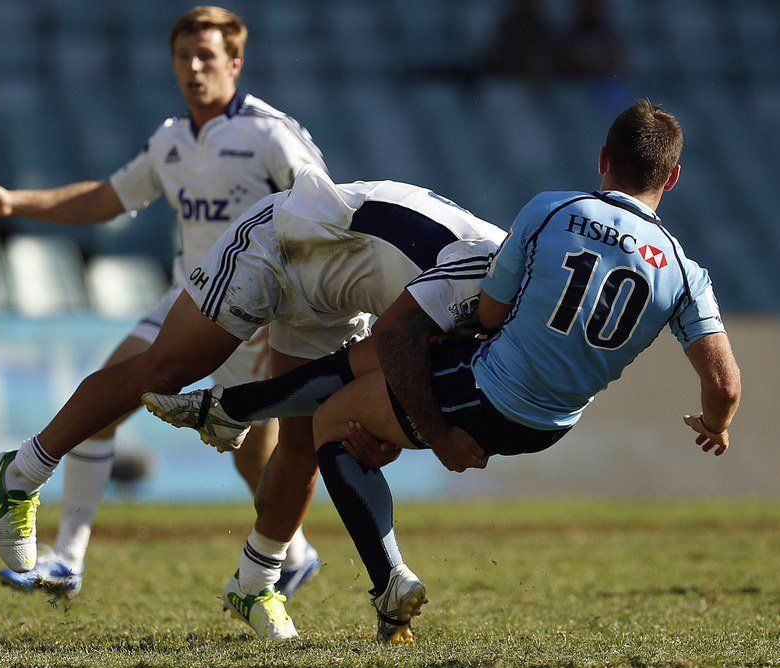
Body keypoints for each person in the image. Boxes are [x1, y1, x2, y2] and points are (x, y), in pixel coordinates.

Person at [0, 164, 506, 639]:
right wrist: (426, 432)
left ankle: (255, 583)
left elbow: (385, 365)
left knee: (303, 443)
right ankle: (23, 470)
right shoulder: (486, 276)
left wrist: (382, 424)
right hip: (286, 242)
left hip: (338, 293)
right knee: (165, 369)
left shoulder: (513, 286)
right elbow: (389, 347)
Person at [288, 100, 739, 643]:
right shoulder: (686, 271)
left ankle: (389, 582)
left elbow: (489, 314)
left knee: (336, 421)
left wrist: (440, 429)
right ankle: (232, 408)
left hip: (488, 391)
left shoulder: (553, 209)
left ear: (603, 159)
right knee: (377, 374)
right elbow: (724, 385)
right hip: (550, 426)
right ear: (673, 176)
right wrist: (715, 424)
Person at [0, 6, 328, 598]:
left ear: (235, 63)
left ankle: (295, 552)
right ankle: (68, 558)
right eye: (183, 57)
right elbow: (107, 198)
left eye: (206, 56)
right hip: (191, 296)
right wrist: (15, 203)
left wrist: (302, 306)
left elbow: (323, 211)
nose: (193, 67)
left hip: (261, 314)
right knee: (105, 396)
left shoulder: (269, 135)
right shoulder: (170, 140)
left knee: (256, 461)